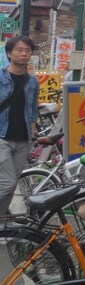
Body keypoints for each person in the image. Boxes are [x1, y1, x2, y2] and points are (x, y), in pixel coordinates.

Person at [0, 36, 39, 215]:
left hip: (23, 140)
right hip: (2, 137)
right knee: (7, 184)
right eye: (19, 50)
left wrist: (32, 129)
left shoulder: (32, 81)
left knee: (11, 184)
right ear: (9, 53)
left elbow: (32, 107)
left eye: (27, 50)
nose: (24, 53)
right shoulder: (1, 77)